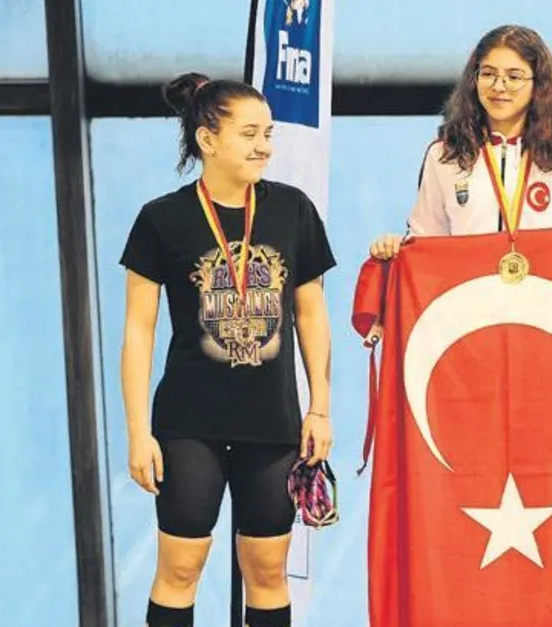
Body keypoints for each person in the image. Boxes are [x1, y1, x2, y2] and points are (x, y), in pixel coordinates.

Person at [119, 72, 336, 627]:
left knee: (268, 571)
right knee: (180, 569)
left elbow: (311, 314)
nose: (265, 146)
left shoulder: (293, 210)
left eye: (268, 133)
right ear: (207, 139)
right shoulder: (161, 218)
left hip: (274, 425)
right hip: (189, 425)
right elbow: (138, 331)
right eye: (249, 134)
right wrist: (139, 432)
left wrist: (320, 408)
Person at [366, 24, 552, 260]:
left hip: (544, 293)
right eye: (488, 73)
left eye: (514, 77)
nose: (499, 86)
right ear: (474, 79)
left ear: (539, 85)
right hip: (468, 292)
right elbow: (425, 240)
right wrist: (396, 247)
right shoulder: (446, 153)